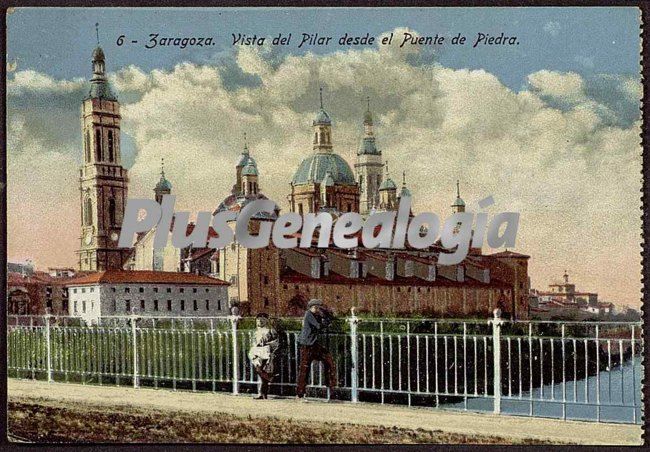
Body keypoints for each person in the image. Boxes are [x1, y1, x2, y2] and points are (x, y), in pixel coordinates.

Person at [295, 299, 337, 401]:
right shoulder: (308, 315)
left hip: (313, 345)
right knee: (304, 369)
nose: (317, 309)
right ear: (310, 307)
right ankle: (300, 394)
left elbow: (323, 320)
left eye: (318, 307)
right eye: (315, 307)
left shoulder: (315, 315)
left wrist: (327, 316)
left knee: (329, 360)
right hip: (306, 345)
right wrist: (326, 322)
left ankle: (330, 387)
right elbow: (318, 326)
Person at [248, 313, 279, 399]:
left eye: (262, 320)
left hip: (266, 351)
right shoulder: (256, 331)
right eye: (258, 320)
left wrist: (268, 345)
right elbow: (253, 341)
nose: (260, 321)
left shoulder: (270, 330)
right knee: (258, 369)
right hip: (257, 351)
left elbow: (276, 342)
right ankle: (269, 379)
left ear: (266, 320)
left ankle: (263, 393)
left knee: (262, 370)